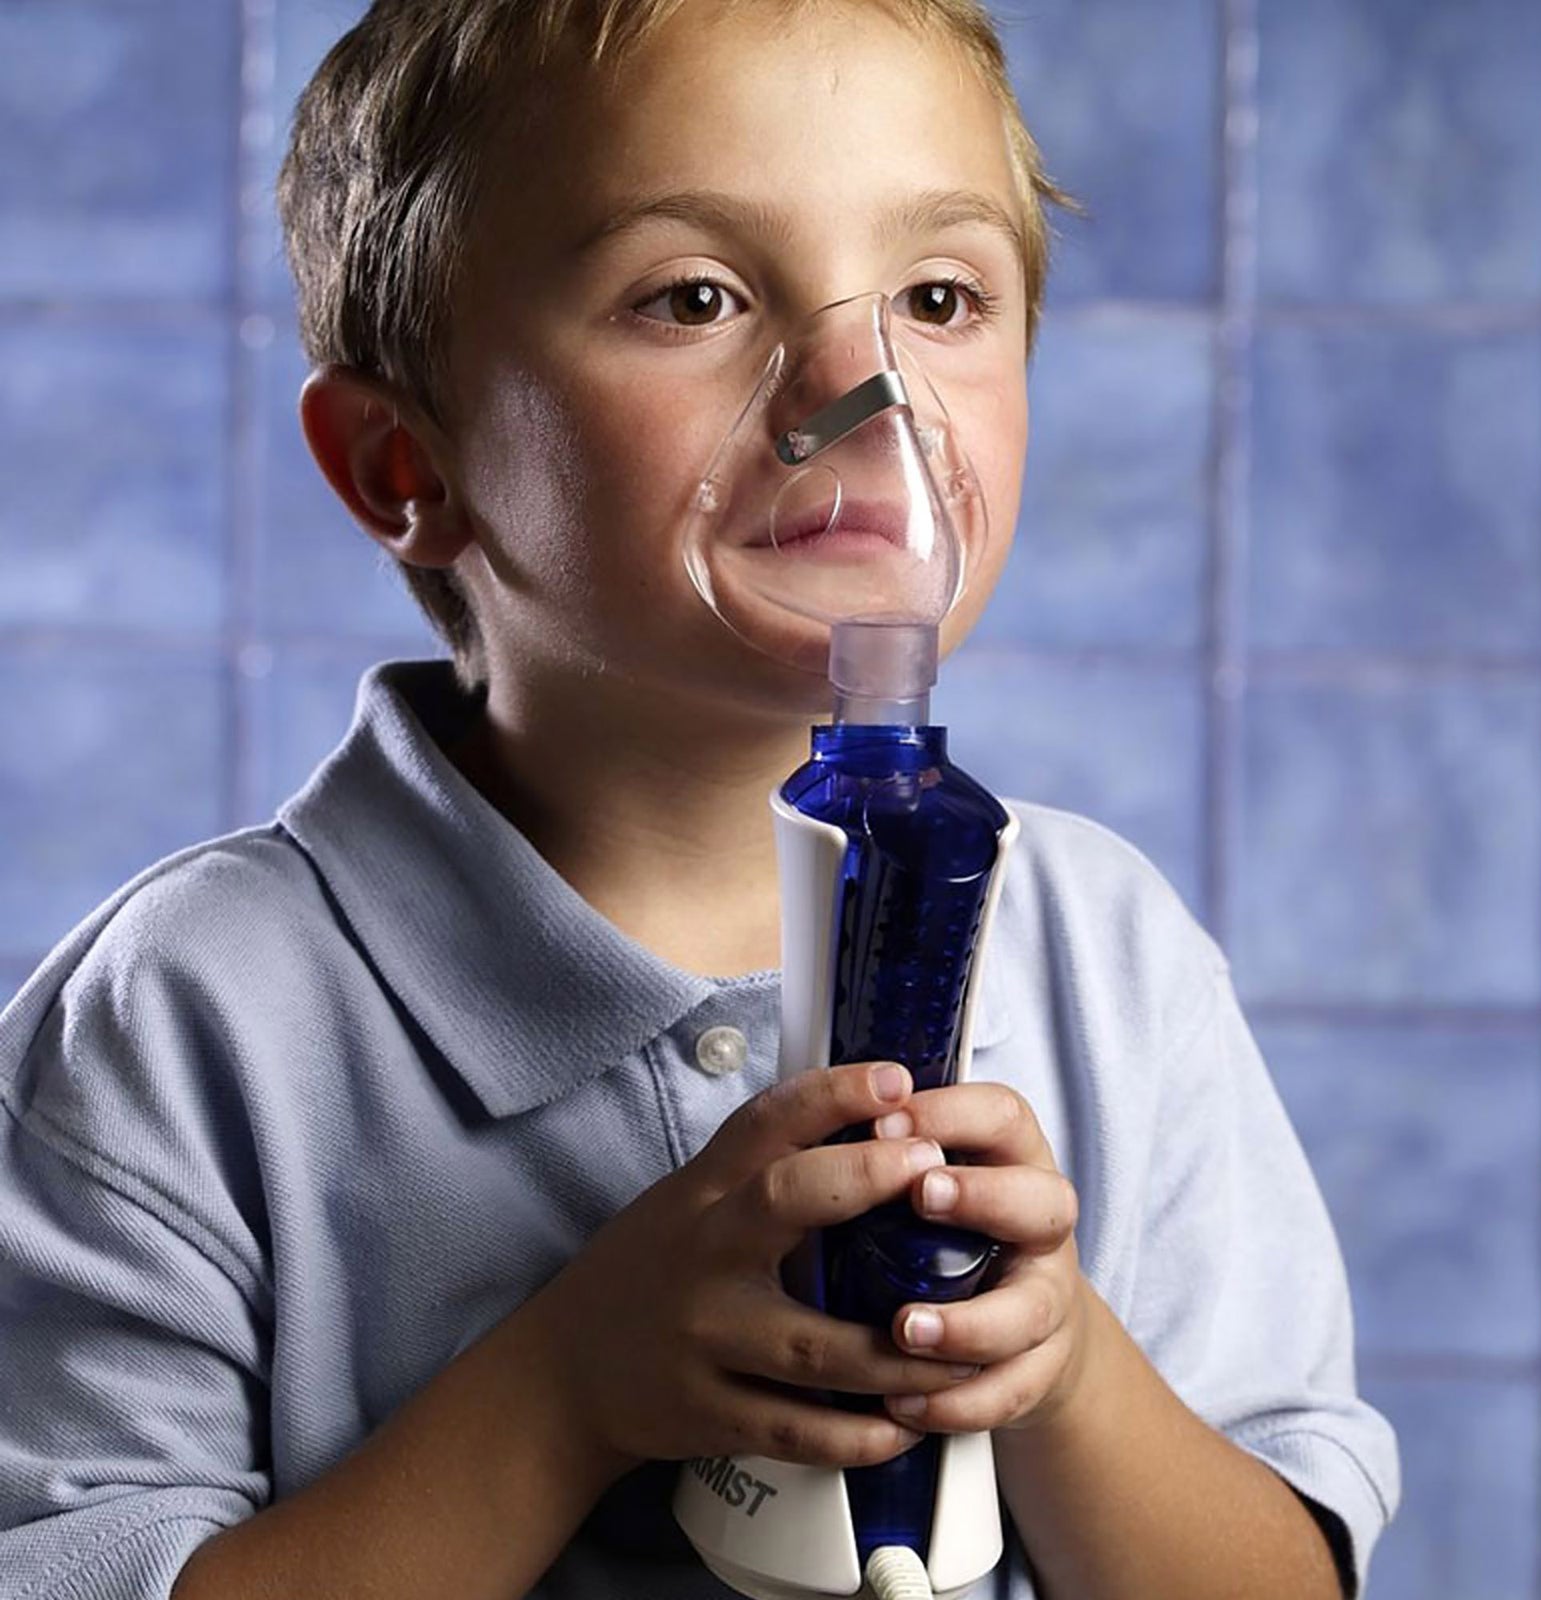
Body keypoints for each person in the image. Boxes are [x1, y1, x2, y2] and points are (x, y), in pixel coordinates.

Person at [0, 2, 1400, 1597]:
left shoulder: (1109, 962)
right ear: (406, 466)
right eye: (697, 297)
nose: (863, 394)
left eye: (939, 298)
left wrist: (1065, 1372)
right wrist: (568, 1389)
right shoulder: (187, 1027)